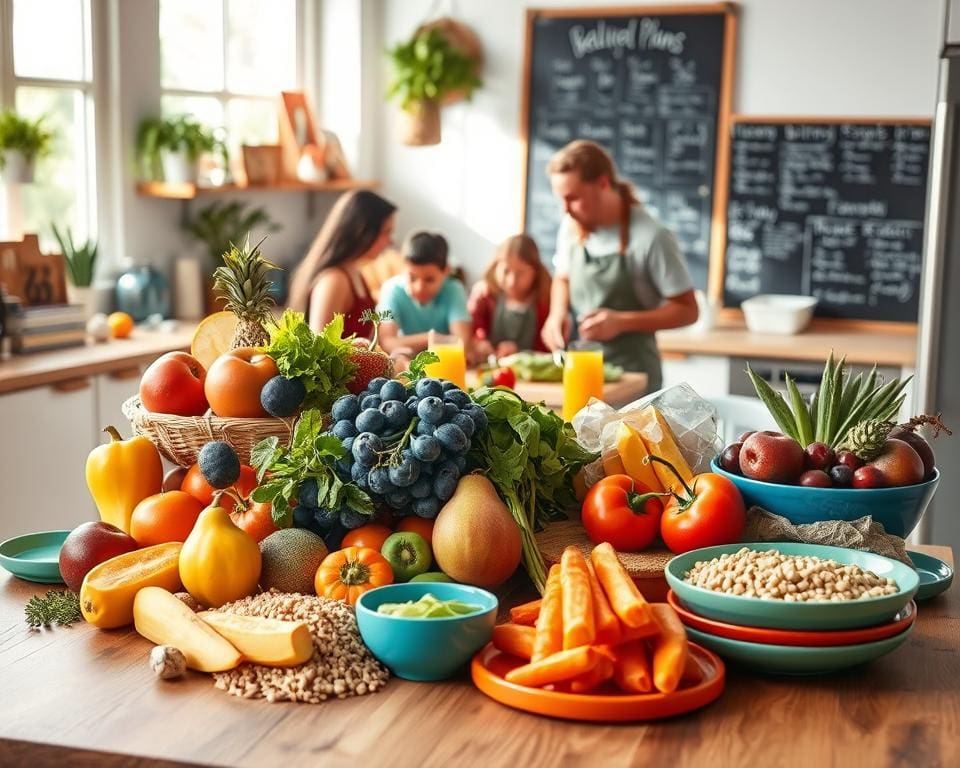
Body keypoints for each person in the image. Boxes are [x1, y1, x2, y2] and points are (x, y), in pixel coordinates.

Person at [540, 140, 699, 392]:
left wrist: (621, 321)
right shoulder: (571, 226)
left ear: (603, 184)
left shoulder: (652, 237)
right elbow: (563, 277)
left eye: (573, 198)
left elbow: (688, 310)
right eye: (561, 199)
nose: (565, 210)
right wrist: (556, 313)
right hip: (582, 375)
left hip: (634, 384)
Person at [287, 190, 396, 337]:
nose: (391, 241)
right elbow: (321, 349)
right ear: (363, 232)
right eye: (386, 232)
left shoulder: (354, 272)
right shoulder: (334, 280)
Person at [376, 230, 473, 358]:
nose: (419, 288)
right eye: (412, 278)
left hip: (442, 365)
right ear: (402, 268)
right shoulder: (391, 289)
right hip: (406, 366)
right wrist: (431, 338)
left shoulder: (454, 289)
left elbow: (461, 343)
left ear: (446, 271)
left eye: (429, 279)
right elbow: (386, 341)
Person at [469, 234, 552, 358]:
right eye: (506, 271)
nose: (512, 281)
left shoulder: (545, 302)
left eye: (521, 273)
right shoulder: (485, 295)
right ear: (495, 267)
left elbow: (547, 346)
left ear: (536, 272)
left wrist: (519, 351)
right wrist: (479, 341)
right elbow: (473, 326)